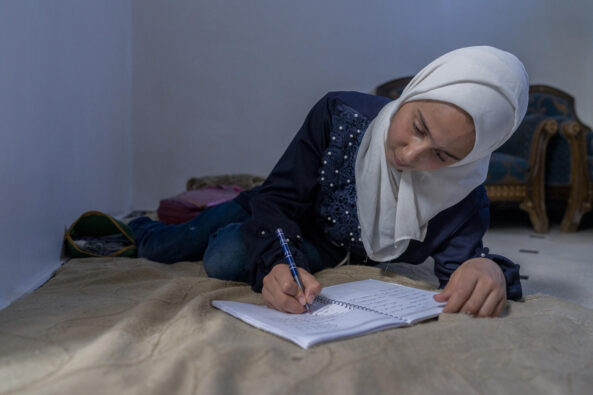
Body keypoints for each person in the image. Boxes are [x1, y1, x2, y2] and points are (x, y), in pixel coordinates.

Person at [130, 46, 528, 318]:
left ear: (470, 160)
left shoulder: (463, 197)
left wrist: (487, 269)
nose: (409, 156)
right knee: (174, 246)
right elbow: (279, 200)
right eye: (417, 126)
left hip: (326, 248)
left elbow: (463, 268)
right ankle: (141, 224)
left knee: (226, 260)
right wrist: (279, 260)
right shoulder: (339, 114)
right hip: (282, 212)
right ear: (414, 91)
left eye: (442, 156)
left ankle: (233, 228)